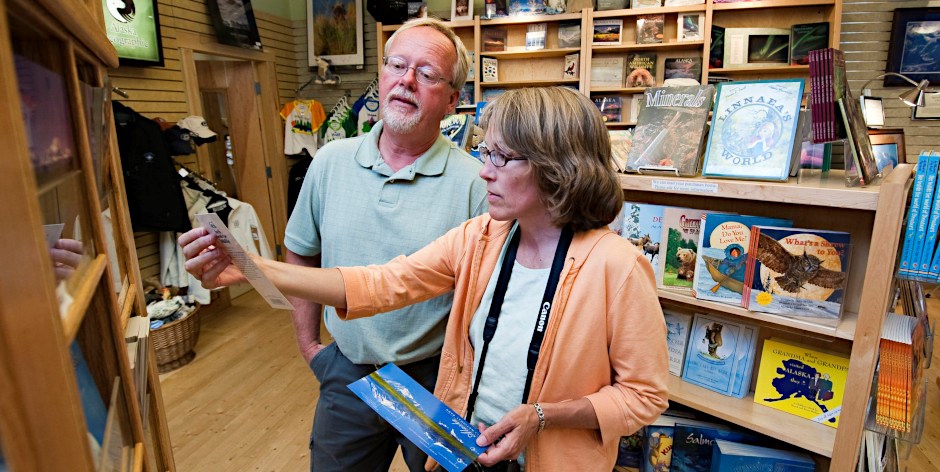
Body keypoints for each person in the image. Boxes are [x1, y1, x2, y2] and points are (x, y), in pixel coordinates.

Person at [180, 87, 669, 471]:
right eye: (485, 153)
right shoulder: (483, 237)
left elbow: (643, 396)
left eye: (502, 157)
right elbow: (381, 283)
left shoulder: (616, 267)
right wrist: (252, 267)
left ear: (557, 168)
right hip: (465, 453)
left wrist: (543, 417)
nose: (485, 172)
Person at [284, 17, 487, 472]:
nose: (407, 81)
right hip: (347, 372)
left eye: (428, 73)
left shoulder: (476, 182)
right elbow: (301, 250)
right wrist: (309, 346)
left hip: (431, 380)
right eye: (397, 65)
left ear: (453, 100)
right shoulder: (329, 163)